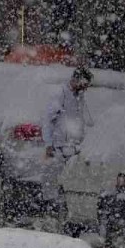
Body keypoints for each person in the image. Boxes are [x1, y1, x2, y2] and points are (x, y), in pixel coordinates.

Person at [36, 65, 94, 224]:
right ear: (76, 80)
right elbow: (47, 120)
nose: (85, 89)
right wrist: (49, 144)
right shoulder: (60, 94)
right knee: (53, 180)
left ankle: (63, 213)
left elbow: (84, 120)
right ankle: (51, 213)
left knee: (69, 181)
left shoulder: (79, 97)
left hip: (73, 147)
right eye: (84, 85)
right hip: (58, 147)